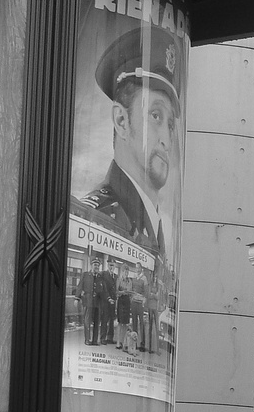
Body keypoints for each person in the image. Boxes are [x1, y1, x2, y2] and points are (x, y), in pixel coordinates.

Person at [77, 26, 182, 259]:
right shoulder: (96, 217)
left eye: (171, 126)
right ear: (121, 120)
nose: (166, 140)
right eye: (155, 115)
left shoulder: (155, 225)